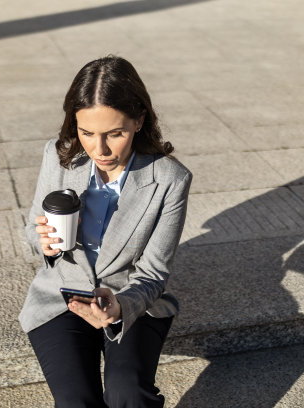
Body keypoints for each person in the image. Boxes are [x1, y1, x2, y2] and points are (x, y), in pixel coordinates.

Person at [17, 55, 192, 408]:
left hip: (131, 298)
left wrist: (121, 306)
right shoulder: (58, 155)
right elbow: (31, 232)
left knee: (127, 392)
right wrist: (45, 244)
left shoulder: (170, 179)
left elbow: (154, 272)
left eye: (115, 133)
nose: (100, 149)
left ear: (140, 120)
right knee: (75, 401)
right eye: (87, 133)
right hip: (61, 296)